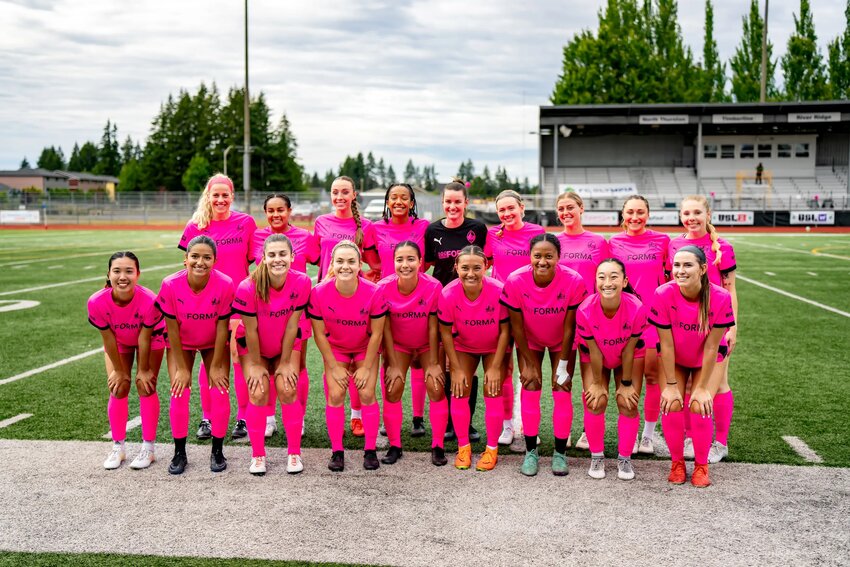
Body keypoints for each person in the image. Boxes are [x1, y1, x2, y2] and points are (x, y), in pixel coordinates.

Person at [179, 173, 256, 442]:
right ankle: (208, 417)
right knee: (208, 359)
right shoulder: (195, 226)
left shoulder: (245, 223)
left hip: (238, 303)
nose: (221, 199)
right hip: (205, 304)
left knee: (238, 358)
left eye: (225, 195)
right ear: (208, 196)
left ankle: (243, 418)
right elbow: (187, 267)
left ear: (232, 196)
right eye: (216, 195)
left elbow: (253, 263)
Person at [502, 234, 586, 476]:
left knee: (562, 388)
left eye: (549, 256)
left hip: (562, 340)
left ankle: (560, 453)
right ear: (530, 257)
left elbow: (570, 328)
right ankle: (531, 451)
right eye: (537, 256)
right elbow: (516, 327)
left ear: (558, 257)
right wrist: (527, 363)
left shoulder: (573, 280)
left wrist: (563, 365)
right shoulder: (516, 280)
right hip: (530, 340)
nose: (542, 261)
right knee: (531, 385)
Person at [651, 246, 735, 488]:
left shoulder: (720, 297)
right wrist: (670, 385)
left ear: (703, 269)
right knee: (671, 402)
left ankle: (701, 465)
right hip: (675, 356)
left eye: (687, 265)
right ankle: (677, 463)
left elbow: (711, 347)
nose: (680, 270)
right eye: (676, 265)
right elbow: (665, 344)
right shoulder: (663, 293)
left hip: (705, 358)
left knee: (700, 405)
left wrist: (701, 388)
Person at [232, 234, 312, 475]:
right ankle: (258, 455)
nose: (278, 259)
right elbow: (252, 329)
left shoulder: (302, 282)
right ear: (263, 259)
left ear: (292, 257)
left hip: (283, 344)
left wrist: (286, 361)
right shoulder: (248, 287)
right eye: (272, 255)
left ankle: (294, 453)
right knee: (257, 393)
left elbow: (292, 326)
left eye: (283, 254)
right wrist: (256, 364)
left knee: (288, 388)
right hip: (253, 346)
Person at [156, 236, 235, 474]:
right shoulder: (170, 284)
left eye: (207, 257)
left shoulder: (225, 283)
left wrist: (217, 364)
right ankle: (179, 452)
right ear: (185, 259)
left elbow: (223, 328)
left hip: (213, 342)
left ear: (215, 261)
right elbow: (171, 329)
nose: (200, 262)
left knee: (220, 389)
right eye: (195, 256)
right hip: (182, 344)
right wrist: (181, 367)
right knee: (179, 390)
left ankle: (217, 450)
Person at [669, 195, 738, 463]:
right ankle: (690, 436)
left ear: (708, 214)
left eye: (697, 212)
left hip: (716, 324)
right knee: (687, 385)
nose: (691, 218)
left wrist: (733, 327)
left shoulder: (722, 247)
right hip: (684, 325)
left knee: (716, 384)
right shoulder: (675, 244)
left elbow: (731, 289)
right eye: (686, 213)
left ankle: (720, 442)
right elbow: (674, 285)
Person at [308, 240, 388, 471]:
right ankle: (337, 451)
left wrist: (364, 367)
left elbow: (377, 333)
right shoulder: (319, 293)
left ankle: (370, 449)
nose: (346, 266)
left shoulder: (374, 292)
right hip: (337, 348)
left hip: (365, 347)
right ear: (332, 264)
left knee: (366, 391)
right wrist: (333, 367)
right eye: (340, 261)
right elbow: (320, 335)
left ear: (359, 264)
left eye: (351, 261)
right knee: (335, 394)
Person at [313, 176, 381, 437]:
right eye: (335, 192)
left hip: (357, 299)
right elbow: (314, 258)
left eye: (345, 192)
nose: (339, 196)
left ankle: (357, 415)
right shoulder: (321, 222)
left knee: (359, 359)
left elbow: (374, 263)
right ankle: (337, 412)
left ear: (354, 195)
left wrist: (368, 280)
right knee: (333, 360)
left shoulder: (366, 226)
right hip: (327, 301)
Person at [87, 251, 166, 470]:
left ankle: (148, 448)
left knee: (145, 385)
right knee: (119, 386)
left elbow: (144, 336)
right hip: (118, 341)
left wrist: (142, 369)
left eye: (129, 271)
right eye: (117, 271)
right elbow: (108, 339)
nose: (123, 276)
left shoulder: (149, 299)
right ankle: (118, 446)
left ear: (138, 274)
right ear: (109, 274)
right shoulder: (96, 302)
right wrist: (120, 371)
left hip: (150, 337)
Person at [250, 193, 319, 439]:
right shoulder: (257, 236)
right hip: (265, 312)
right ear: (265, 212)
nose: (276, 214)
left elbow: (322, 262)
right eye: (271, 210)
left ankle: (296, 416)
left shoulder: (304, 237)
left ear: (290, 210)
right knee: (268, 366)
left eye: (281, 209)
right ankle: (269, 418)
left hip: (297, 311)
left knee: (296, 365)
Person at [424, 178, 488, 443]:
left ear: (466, 203)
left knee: (465, 364)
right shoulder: (432, 230)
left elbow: (486, 262)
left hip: (471, 304)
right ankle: (449, 421)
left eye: (457, 202)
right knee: (444, 363)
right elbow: (426, 265)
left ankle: (468, 422)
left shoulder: (477, 228)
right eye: (448, 202)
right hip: (441, 303)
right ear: (443, 203)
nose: (453, 206)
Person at [438, 246, 510, 471]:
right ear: (456, 267)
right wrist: (456, 368)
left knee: (493, 388)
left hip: (493, 347)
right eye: (465, 268)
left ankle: (491, 450)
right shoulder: (448, 294)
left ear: (486, 267)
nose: (471, 273)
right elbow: (446, 334)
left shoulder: (499, 290)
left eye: (477, 267)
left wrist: (496, 366)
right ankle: (463, 447)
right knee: (459, 389)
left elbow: (506, 331)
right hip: (464, 346)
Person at [608, 195, 670, 455]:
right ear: (622, 214)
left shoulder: (662, 241)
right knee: (627, 380)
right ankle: (629, 435)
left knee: (653, 377)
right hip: (623, 321)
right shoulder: (613, 243)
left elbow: (670, 278)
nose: (635, 217)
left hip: (653, 320)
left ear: (648, 214)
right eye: (630, 212)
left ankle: (647, 435)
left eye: (640, 212)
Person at [484, 189, 545, 448]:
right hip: (502, 308)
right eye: (502, 210)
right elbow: (484, 263)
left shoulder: (537, 233)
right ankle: (508, 425)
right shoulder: (492, 235)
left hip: (530, 308)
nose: (507, 214)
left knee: (530, 369)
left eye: (511, 208)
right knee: (504, 368)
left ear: (522, 207)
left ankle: (530, 426)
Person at [578, 259, 647, 481]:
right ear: (595, 281)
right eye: (602, 277)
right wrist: (597, 383)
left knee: (628, 402)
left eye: (614, 277)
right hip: (595, 354)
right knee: (595, 400)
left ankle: (624, 458)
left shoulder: (636, 307)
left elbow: (629, 350)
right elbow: (595, 351)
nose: (607, 282)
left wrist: (626, 384)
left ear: (625, 281)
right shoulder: (585, 309)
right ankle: (597, 455)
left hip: (628, 355)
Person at [379, 241, 447, 465]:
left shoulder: (433, 286)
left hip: (427, 345)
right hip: (398, 345)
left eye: (410, 259)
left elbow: (433, 325)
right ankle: (395, 445)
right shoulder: (384, 286)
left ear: (420, 262)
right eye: (400, 260)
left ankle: (437, 445)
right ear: (393, 262)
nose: (405, 264)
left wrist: (435, 362)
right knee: (393, 386)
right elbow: (386, 327)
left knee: (436, 385)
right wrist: (393, 363)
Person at [372, 183, 430, 438]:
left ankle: (418, 418)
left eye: (403, 198)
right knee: (390, 361)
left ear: (411, 202)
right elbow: (372, 259)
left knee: (418, 360)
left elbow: (425, 260)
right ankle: (389, 419)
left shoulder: (422, 227)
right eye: (393, 197)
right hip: (386, 298)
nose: (398, 201)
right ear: (387, 201)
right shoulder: (376, 227)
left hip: (417, 295)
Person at [555, 190, 610, 451]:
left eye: (570, 207)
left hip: (591, 320)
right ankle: (563, 429)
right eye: (561, 209)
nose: (566, 213)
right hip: (560, 318)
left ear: (581, 208)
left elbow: (607, 279)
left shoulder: (599, 242)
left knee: (592, 378)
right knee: (562, 377)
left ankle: (589, 431)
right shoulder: (554, 241)